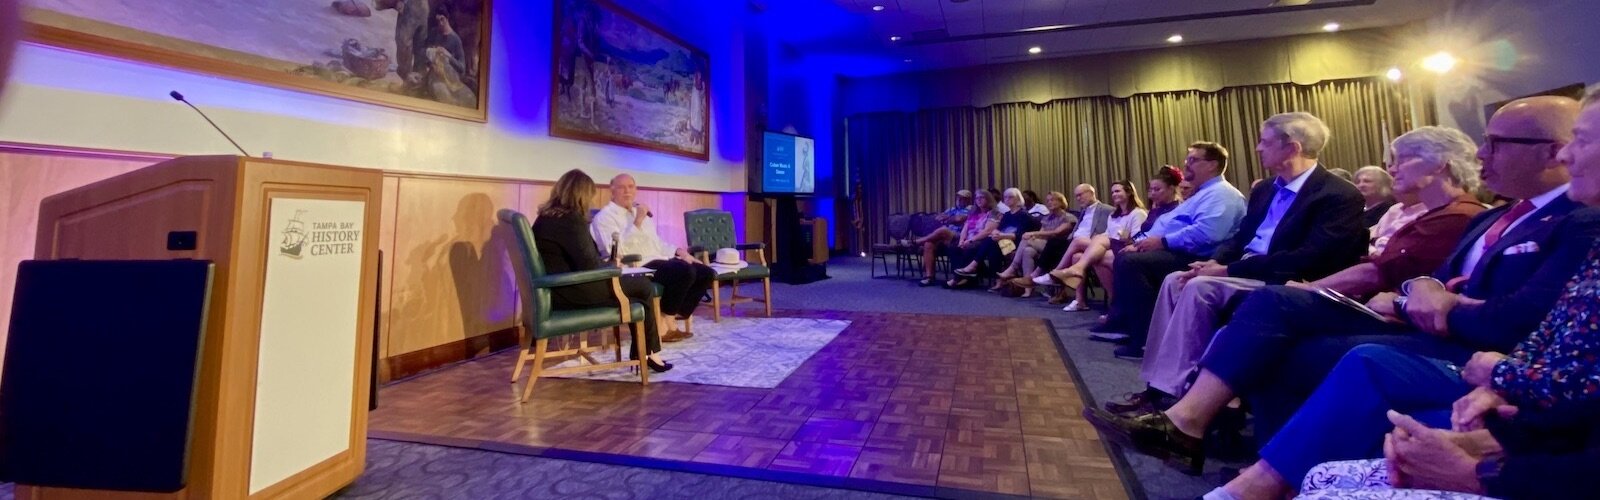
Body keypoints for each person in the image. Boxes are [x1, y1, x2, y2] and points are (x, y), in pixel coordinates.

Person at [1096, 97, 1600, 473]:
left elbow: (1517, 315)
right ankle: (1193, 419)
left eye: (1495, 142)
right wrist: (1424, 292)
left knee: (1268, 306)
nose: (1482, 153)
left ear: (1551, 152)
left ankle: (1208, 432)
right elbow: (1430, 278)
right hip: (1401, 313)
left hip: (1452, 341)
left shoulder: (1563, 219)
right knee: (1248, 305)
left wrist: (1439, 305)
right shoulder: (1498, 216)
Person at [1099, 113, 1370, 367]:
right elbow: (1241, 238)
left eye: (1265, 141)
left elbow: (1308, 258)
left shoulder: (1337, 194)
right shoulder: (1265, 189)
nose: (1258, 148)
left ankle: (1172, 394)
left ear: (1292, 148)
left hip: (1282, 277)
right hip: (1243, 266)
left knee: (1197, 287)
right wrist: (1213, 262)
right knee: (1175, 280)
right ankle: (1159, 376)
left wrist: (1225, 269)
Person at [1089, 142, 1246, 342]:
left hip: (1201, 256)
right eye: (1187, 159)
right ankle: (1123, 323)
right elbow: (1165, 223)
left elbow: (1208, 234)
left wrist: (1162, 242)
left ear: (1212, 165)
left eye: (1193, 160)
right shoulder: (1202, 193)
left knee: (1131, 263)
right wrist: (1141, 242)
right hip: (1180, 250)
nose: (1186, 164)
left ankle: (1144, 338)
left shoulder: (1223, 194)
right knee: (1126, 256)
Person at [531, 170, 671, 372]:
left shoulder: (546, 218)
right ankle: (649, 353)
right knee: (642, 286)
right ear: (581, 194)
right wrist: (611, 267)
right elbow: (589, 265)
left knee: (637, 288)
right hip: (573, 290)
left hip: (559, 287)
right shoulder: (571, 220)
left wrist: (608, 266)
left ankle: (644, 352)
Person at [591, 174, 716, 343]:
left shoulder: (638, 212)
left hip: (658, 259)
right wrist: (637, 222)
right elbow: (615, 250)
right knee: (684, 272)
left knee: (705, 272)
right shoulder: (605, 217)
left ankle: (667, 316)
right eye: (621, 187)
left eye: (631, 186)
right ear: (612, 190)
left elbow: (657, 243)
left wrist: (680, 252)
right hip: (635, 265)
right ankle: (665, 325)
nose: (627, 191)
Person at [1049, 180, 1147, 311]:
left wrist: (1115, 238)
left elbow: (1137, 239)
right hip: (1111, 247)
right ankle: (1095, 301)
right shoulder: (1113, 215)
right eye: (1112, 192)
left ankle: (1059, 273)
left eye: (1118, 191)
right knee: (1079, 256)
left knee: (1081, 243)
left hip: (1128, 248)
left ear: (1129, 192)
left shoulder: (1137, 213)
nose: (1114, 194)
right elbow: (1107, 233)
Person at [1031, 184, 1111, 300]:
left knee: (1056, 242)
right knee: (1072, 254)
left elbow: (1111, 231)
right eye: (1076, 196)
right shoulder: (1083, 211)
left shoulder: (1106, 209)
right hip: (1074, 243)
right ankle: (1079, 301)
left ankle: (1052, 275)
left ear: (1091, 193)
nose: (1078, 199)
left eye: (1080, 195)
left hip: (1091, 243)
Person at [996, 191, 1076, 296]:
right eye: (1048, 200)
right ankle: (1028, 288)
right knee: (1027, 251)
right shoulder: (1047, 218)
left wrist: (1032, 234)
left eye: (1053, 200)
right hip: (1043, 245)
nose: (1049, 203)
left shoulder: (1069, 217)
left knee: (1026, 239)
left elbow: (1057, 233)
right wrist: (1034, 236)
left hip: (1058, 248)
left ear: (1061, 202)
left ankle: (1013, 268)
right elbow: (1041, 234)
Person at [916, 190, 973, 286]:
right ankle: (929, 277)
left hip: (960, 236)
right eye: (958, 198)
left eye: (962, 198)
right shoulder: (951, 209)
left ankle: (917, 241)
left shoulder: (971, 209)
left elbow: (959, 219)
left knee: (943, 230)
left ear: (968, 200)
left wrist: (948, 219)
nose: (959, 200)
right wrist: (952, 219)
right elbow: (938, 218)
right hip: (944, 236)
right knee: (928, 244)